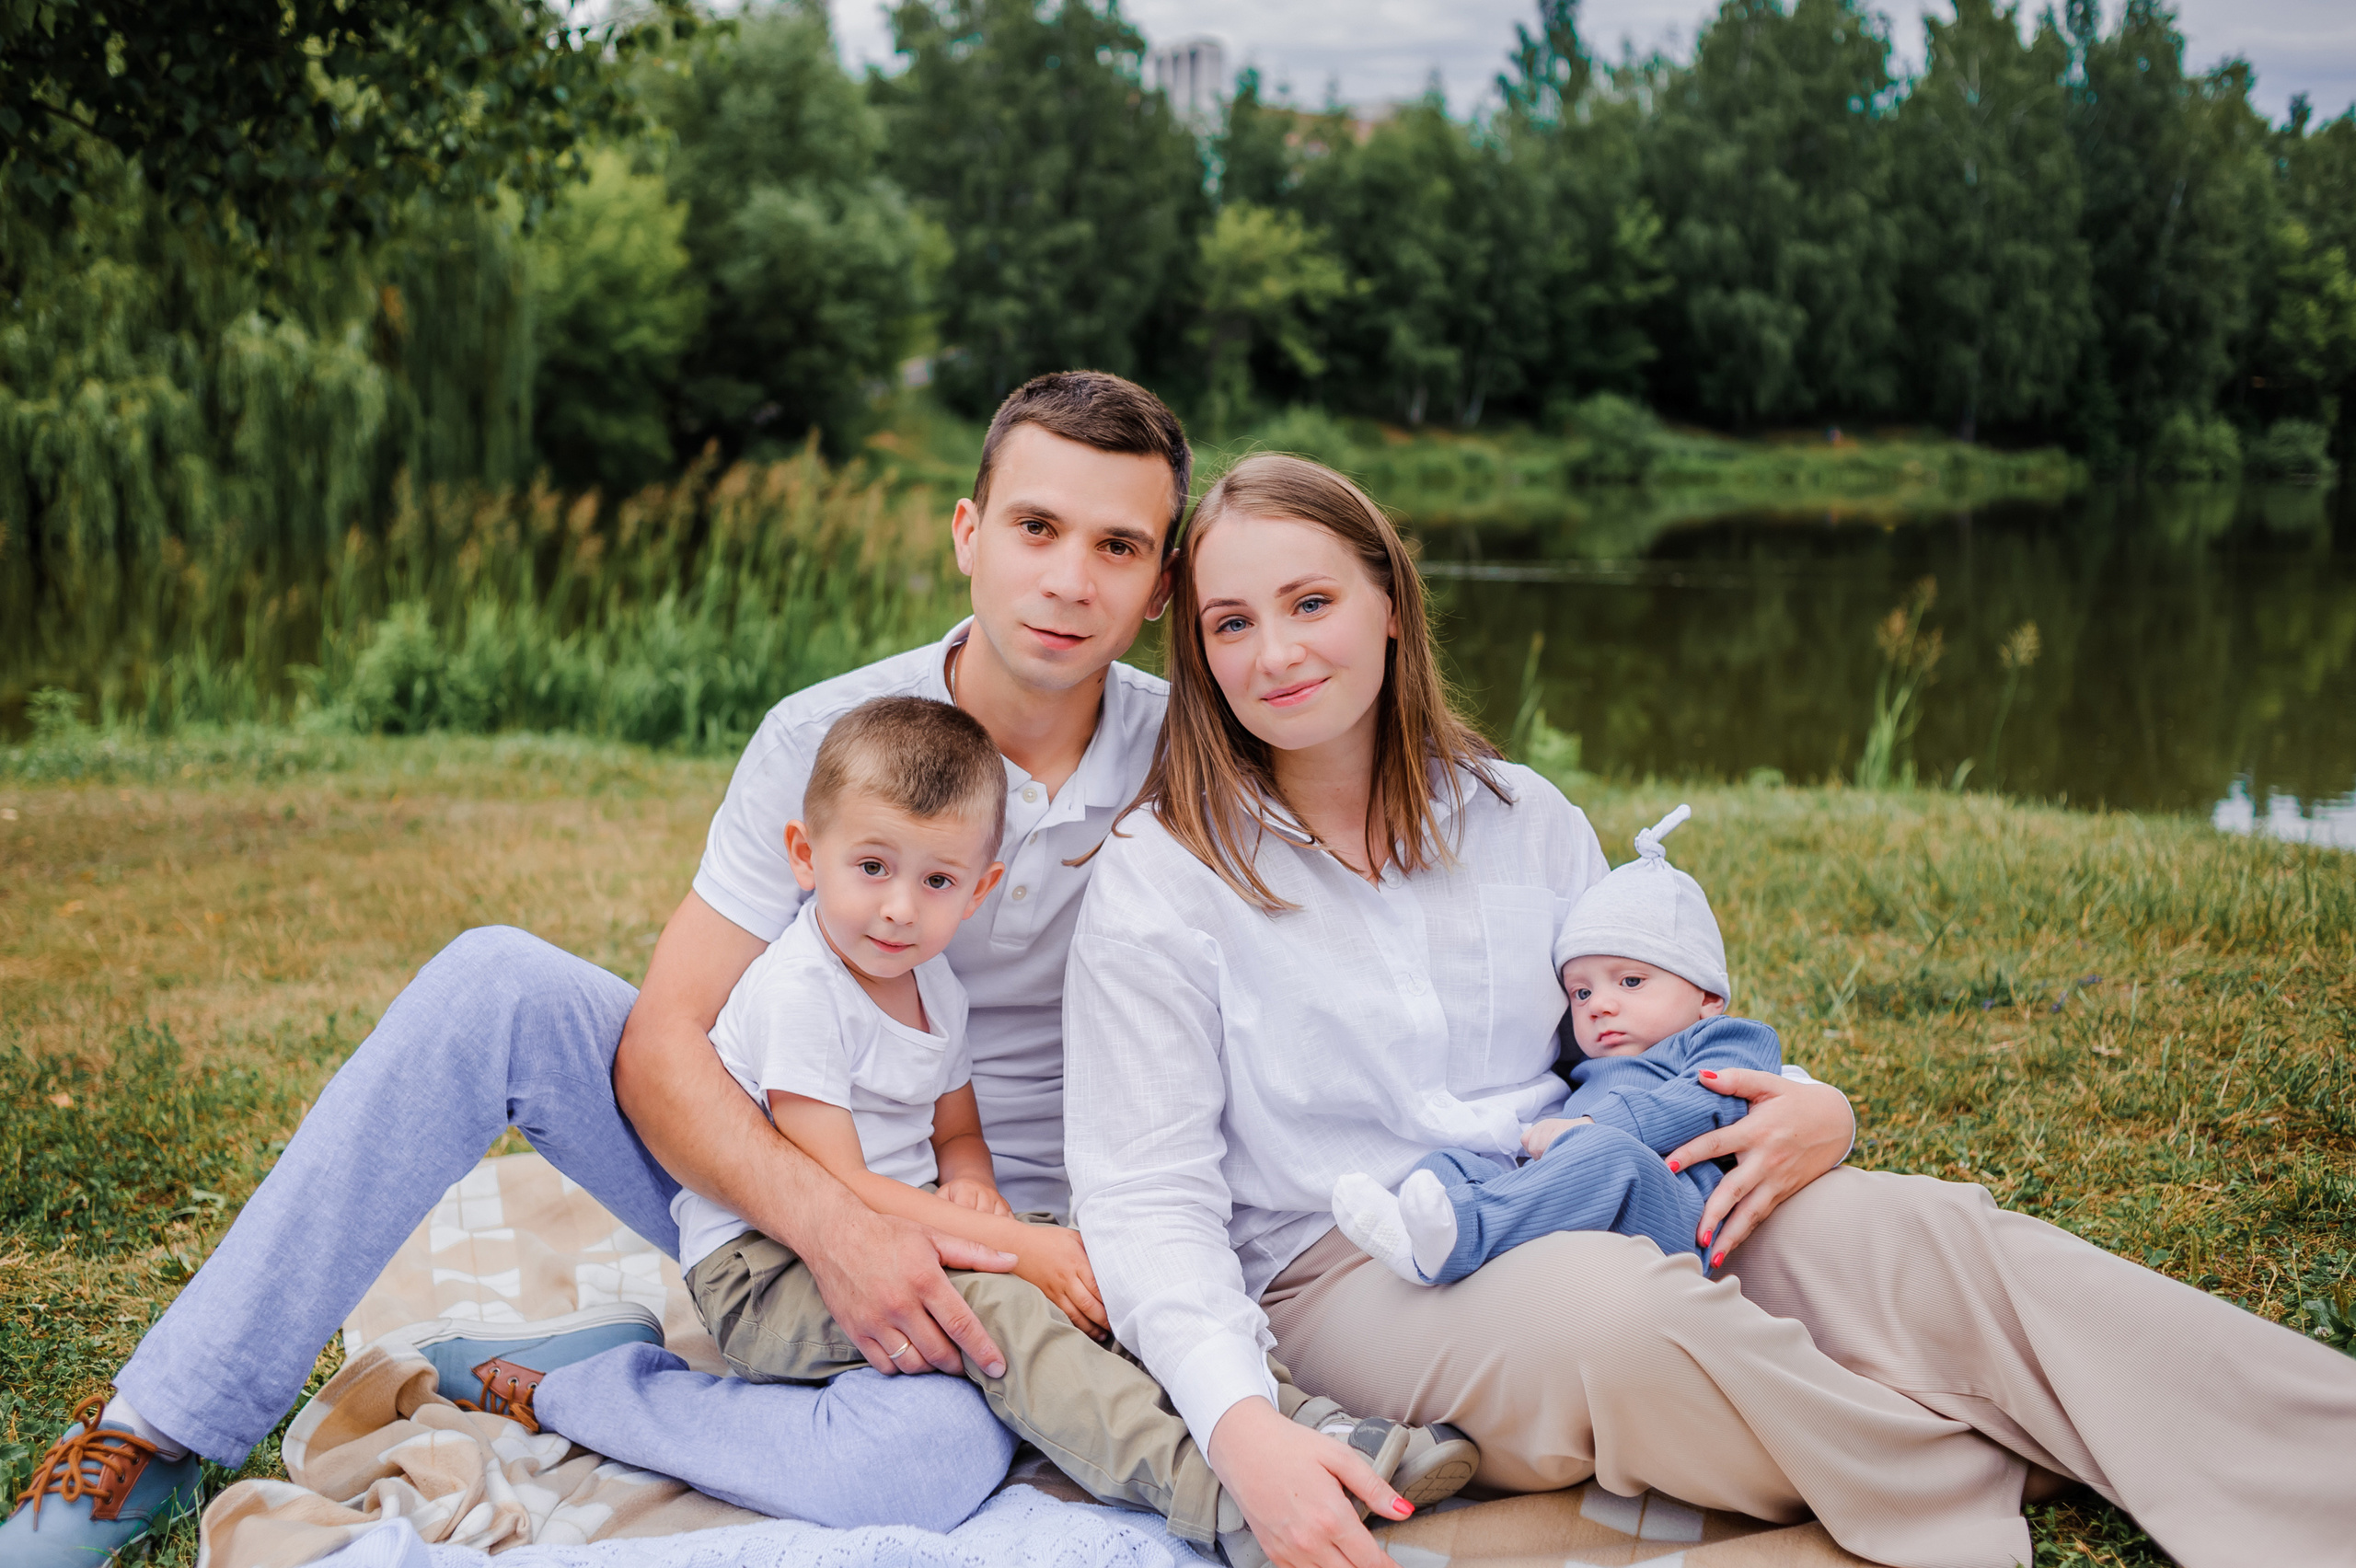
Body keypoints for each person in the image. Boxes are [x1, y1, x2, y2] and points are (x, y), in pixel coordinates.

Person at [14, 373, 1611, 1564]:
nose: (1069, 578)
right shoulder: (825, 734)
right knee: (495, 980)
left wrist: (1684, 1068)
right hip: (811, 1148)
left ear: (1162, 584)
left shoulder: (1202, 747)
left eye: (1119, 546)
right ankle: (152, 1429)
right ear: (969, 534)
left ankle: (591, 1381)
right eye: (1037, 527)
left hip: (1074, 1227)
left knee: (925, 1462)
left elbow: (1440, 870)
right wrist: (839, 1228)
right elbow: (665, 1047)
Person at [1062, 451, 2356, 1568]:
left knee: (1921, 1238)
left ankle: (2315, 1473)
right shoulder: (1161, 878)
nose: (1277, 652)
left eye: (1310, 602)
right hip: (1348, 1269)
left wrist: (1810, 1103)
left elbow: (1643, 1030)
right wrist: (1242, 1428)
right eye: (1231, 624)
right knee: (1621, 1318)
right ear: (1199, 654)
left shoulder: (1519, 817)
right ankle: (1992, 1468)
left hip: (1598, 1171)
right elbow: (1145, 1198)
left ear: (1388, 603)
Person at [673, 694, 1476, 1563]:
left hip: (903, 1227)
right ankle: (1218, 1492)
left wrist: (974, 1186)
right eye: (872, 867)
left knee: (1106, 1262)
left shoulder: (933, 984)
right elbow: (836, 1190)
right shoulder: (801, 991)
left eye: (936, 881)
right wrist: (1016, 1249)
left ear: (977, 890)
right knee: (1007, 1307)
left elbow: (955, 1133)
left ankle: (1304, 1424)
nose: (900, 908)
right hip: (772, 1266)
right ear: (805, 854)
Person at [1331, 803, 1784, 1286]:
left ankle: (1463, 1238)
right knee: (1445, 1164)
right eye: (1581, 992)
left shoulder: (1730, 1037)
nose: (1598, 1005)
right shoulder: (1588, 1065)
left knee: (1607, 1154)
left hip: (1680, 1208)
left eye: (1631, 981)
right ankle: (1429, 1239)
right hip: (1580, 1196)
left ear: (1708, 995)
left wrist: (1592, 1127)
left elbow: (1711, 1099)